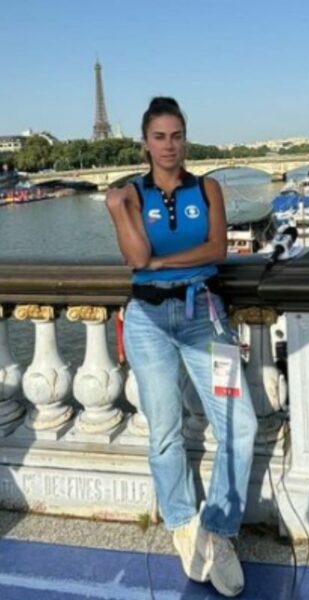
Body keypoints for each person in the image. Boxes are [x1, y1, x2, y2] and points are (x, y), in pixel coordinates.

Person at [105, 97, 257, 598]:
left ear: (185, 140)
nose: (169, 146)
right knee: (165, 430)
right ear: (145, 143)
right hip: (148, 322)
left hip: (206, 318)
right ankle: (181, 522)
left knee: (240, 423)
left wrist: (164, 264)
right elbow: (136, 257)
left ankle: (218, 529)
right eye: (159, 137)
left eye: (176, 136)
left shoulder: (208, 188)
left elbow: (217, 249)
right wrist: (117, 210)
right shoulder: (129, 194)